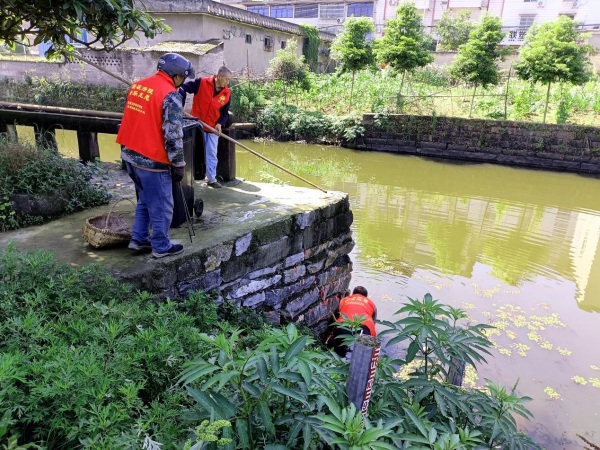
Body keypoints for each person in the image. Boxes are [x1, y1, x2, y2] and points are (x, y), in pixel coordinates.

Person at [116, 52, 195, 258]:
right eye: (183, 78)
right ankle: (160, 246)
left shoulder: (138, 86)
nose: (182, 82)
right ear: (177, 75)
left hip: (130, 155)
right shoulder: (171, 95)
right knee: (161, 205)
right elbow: (173, 134)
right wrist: (178, 163)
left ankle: (139, 239)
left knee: (145, 199)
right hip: (152, 160)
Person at [179, 66, 232, 188]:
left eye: (229, 80)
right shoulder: (201, 82)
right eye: (226, 79)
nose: (227, 83)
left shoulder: (227, 93)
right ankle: (185, 177)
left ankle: (211, 179)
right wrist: (180, 104)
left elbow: (224, 113)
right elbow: (183, 88)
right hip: (196, 125)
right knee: (190, 152)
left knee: (212, 153)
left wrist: (220, 124)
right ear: (219, 76)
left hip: (212, 127)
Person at [326, 286, 377, 358]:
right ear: (366, 296)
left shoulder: (344, 300)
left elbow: (334, 316)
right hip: (363, 329)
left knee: (339, 353)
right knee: (361, 356)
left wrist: (329, 331)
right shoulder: (371, 303)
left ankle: (338, 361)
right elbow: (373, 321)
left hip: (343, 326)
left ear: (353, 294)